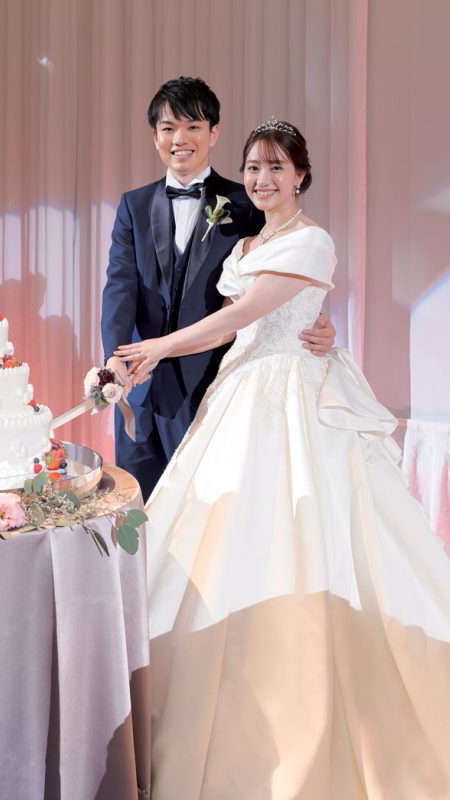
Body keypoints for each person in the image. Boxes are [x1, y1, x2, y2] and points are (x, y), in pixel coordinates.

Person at [116, 120, 450, 799]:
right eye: (253, 168)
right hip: (237, 391)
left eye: (275, 167)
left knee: (303, 529)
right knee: (212, 532)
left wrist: (157, 347)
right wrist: (153, 353)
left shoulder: (313, 240)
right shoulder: (247, 241)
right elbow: (236, 324)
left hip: (292, 395)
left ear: (301, 174)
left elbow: (242, 316)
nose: (262, 179)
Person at [101, 78, 335, 500]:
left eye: (193, 126)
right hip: (140, 383)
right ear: (155, 136)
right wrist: (115, 360)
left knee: (207, 508)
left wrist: (318, 319)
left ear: (214, 133)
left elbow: (280, 277)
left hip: (215, 384)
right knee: (137, 510)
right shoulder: (134, 205)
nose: (180, 139)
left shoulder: (249, 202)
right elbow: (119, 288)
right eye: (169, 128)